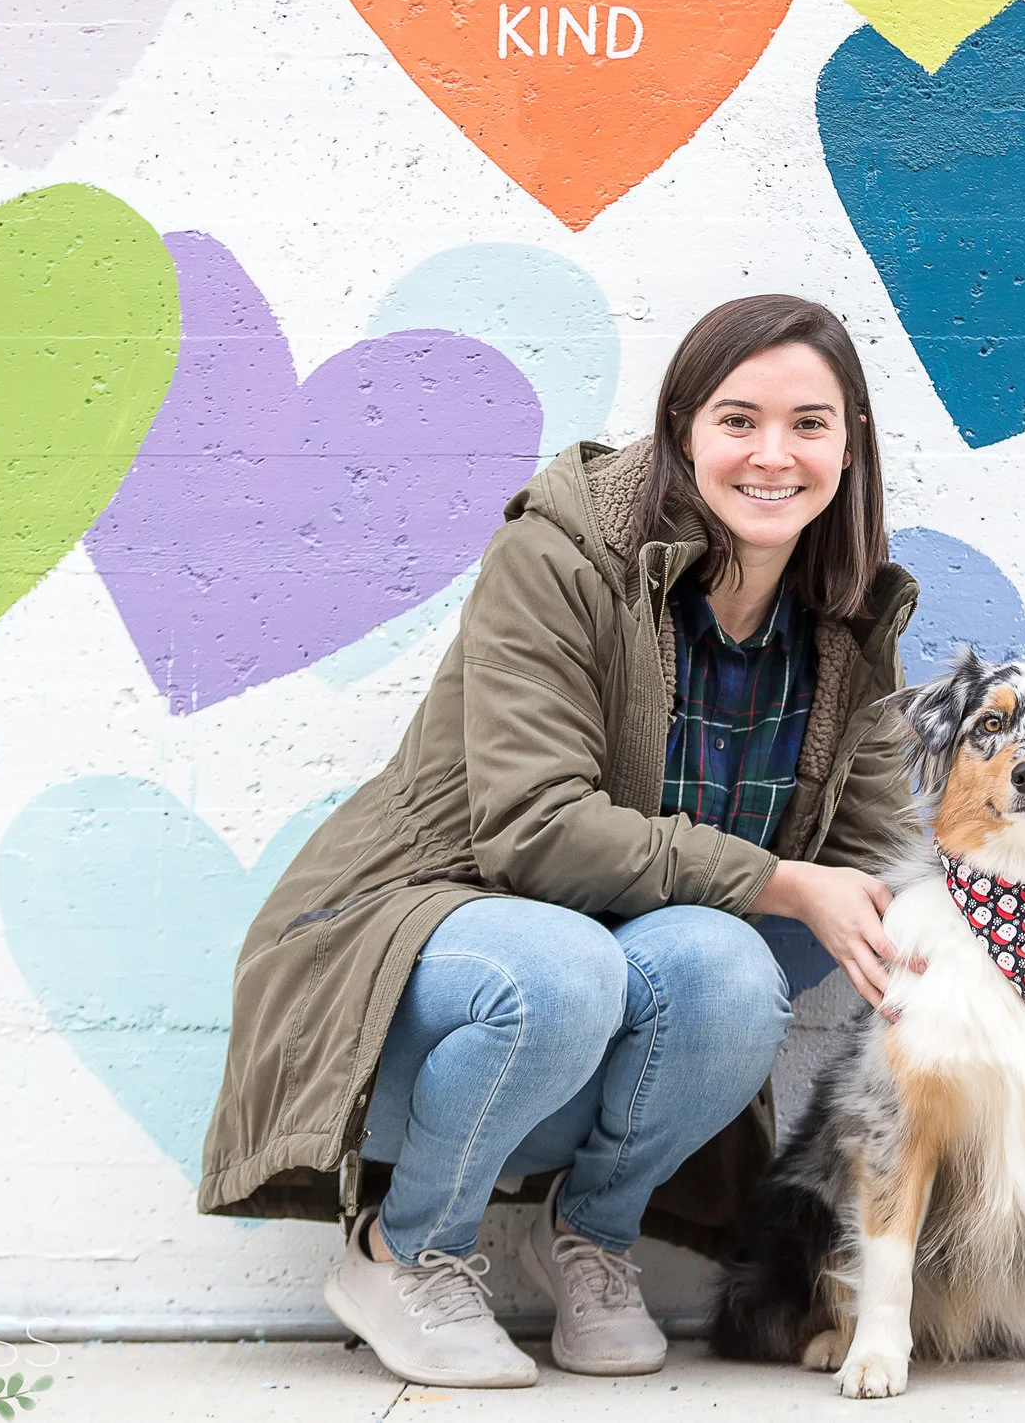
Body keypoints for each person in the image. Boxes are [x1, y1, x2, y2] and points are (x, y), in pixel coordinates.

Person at [196, 294, 923, 1388]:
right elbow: (536, 827)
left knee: (728, 970)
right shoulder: (564, 554)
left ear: (850, 442)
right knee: (566, 966)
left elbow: (859, 860)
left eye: (809, 423)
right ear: (683, 426)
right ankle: (405, 1250)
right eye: (738, 419)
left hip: (603, 1012)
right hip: (415, 965)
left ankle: (594, 1236)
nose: (773, 454)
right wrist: (774, 880)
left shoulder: (848, 614)